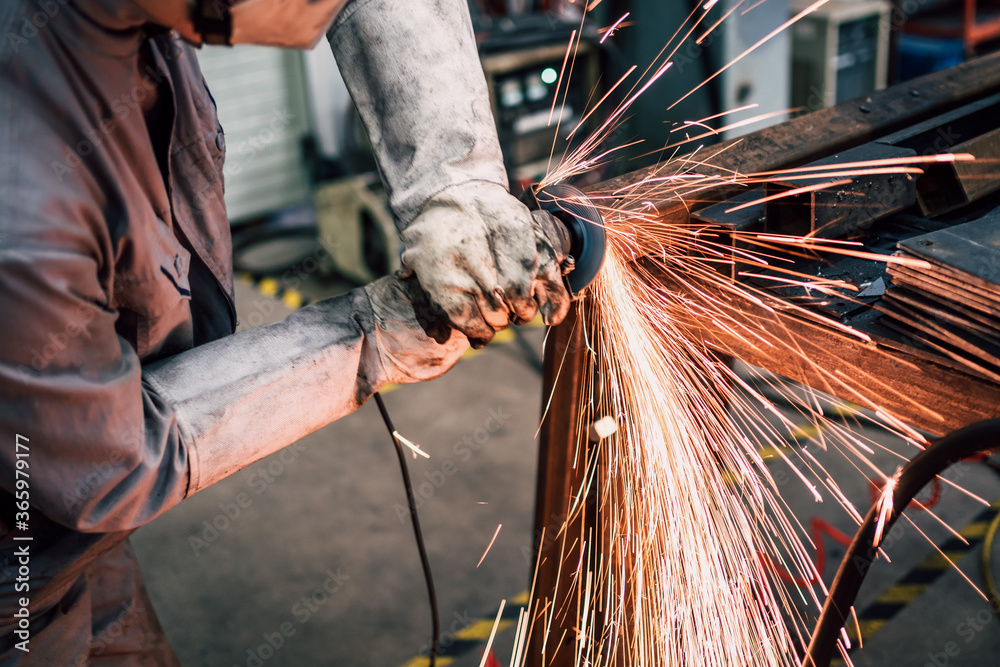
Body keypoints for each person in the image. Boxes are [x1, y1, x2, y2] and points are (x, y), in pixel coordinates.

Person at [0, 0, 572, 663]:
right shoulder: (23, 206)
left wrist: (457, 184)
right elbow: (110, 461)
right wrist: (372, 336)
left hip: (83, 537)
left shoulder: (123, 22)